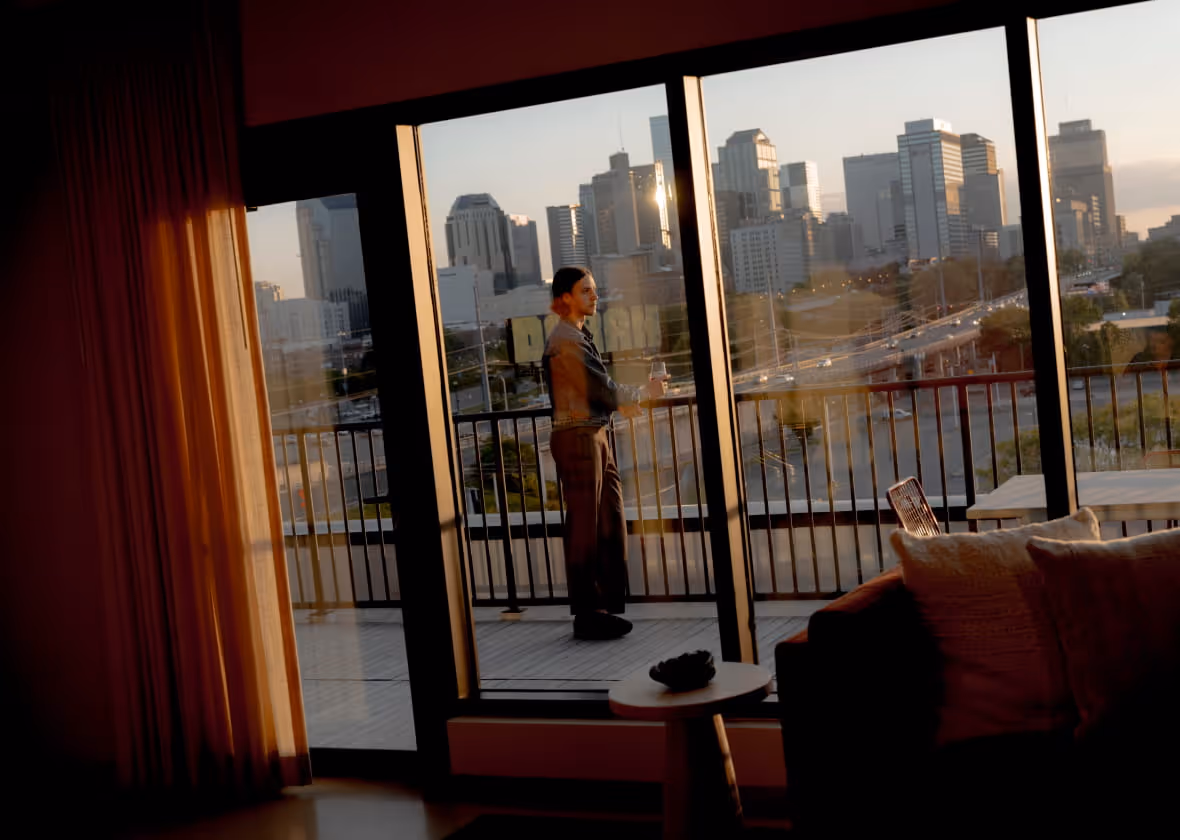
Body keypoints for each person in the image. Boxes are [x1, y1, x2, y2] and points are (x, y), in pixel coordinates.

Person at [543, 267, 666, 640]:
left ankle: (604, 605)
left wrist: (620, 403)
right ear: (566, 297)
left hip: (592, 433)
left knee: (608, 517)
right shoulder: (566, 340)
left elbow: (597, 391)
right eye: (586, 291)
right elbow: (600, 386)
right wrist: (642, 392)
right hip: (579, 438)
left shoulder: (576, 336)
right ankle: (588, 612)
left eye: (595, 290)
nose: (595, 296)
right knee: (586, 526)